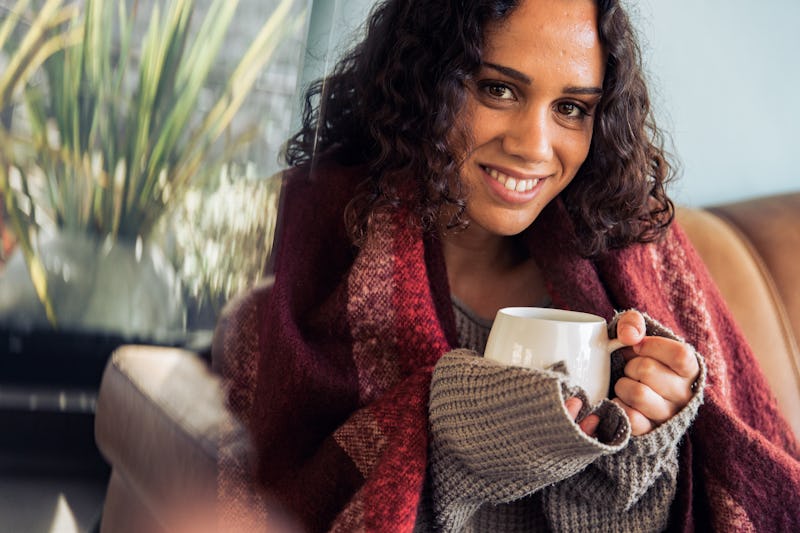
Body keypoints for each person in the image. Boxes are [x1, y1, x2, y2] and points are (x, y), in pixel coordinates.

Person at [215, 0, 800, 531]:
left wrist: (648, 436)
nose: (534, 146)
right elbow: (270, 492)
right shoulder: (316, 238)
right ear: (423, 78)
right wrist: (460, 424)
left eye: (571, 108)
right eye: (498, 90)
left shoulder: (638, 247)